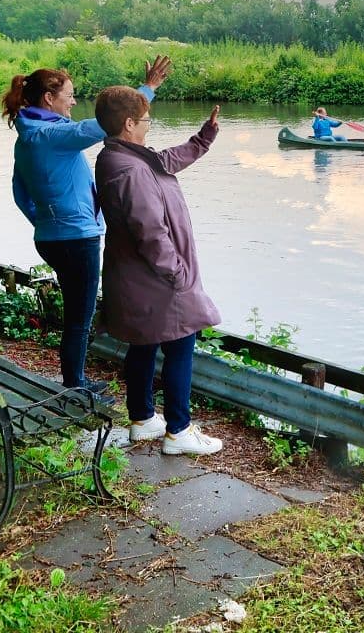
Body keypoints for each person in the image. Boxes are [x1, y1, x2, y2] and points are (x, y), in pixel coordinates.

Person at [2, 56, 171, 395]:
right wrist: (147, 90)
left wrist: (47, 221)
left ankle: (73, 380)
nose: (74, 101)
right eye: (69, 94)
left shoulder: (27, 137)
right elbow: (103, 124)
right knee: (80, 318)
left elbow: (21, 194)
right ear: (49, 99)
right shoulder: (51, 134)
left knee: (77, 313)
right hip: (75, 238)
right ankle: (75, 386)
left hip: (51, 237)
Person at [93, 87, 223, 455]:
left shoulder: (122, 157)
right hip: (156, 276)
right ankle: (178, 432)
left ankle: (143, 420)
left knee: (144, 341)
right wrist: (177, 272)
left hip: (137, 275)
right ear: (129, 123)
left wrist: (203, 139)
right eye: (147, 120)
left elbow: (166, 159)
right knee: (182, 341)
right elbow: (150, 231)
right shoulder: (130, 171)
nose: (150, 126)